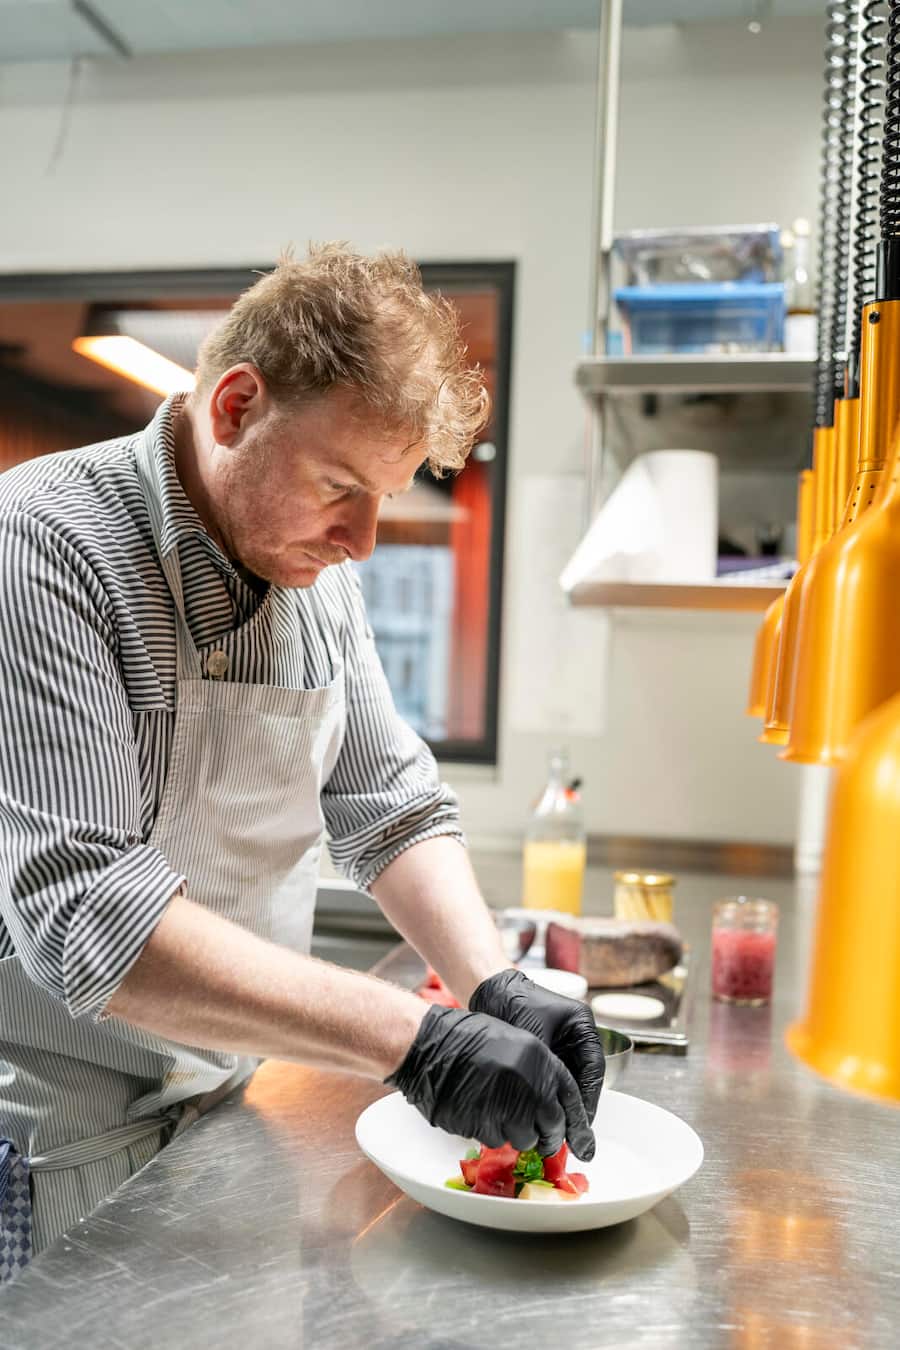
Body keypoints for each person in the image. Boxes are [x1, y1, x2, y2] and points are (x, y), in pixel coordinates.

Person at [0, 243, 604, 1281]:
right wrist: (414, 1039)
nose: (365, 539)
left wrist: (492, 982)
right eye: (340, 487)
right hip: (48, 1143)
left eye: (385, 496)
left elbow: (392, 805)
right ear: (234, 407)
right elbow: (87, 913)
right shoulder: (43, 545)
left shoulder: (317, 583)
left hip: (219, 1107)